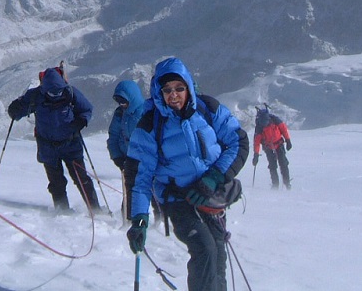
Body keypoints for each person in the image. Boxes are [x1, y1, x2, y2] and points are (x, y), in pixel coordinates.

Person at [125, 57, 248, 291]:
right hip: (178, 199)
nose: (174, 95)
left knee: (218, 255)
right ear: (158, 92)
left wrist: (214, 178)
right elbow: (140, 177)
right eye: (167, 90)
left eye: (179, 88)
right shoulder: (150, 125)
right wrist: (139, 219)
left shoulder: (207, 109)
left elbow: (238, 142)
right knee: (205, 250)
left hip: (210, 194)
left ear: (189, 87)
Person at [7, 66, 101, 212]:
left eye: (58, 91)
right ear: (44, 89)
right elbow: (20, 110)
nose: (56, 95)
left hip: (70, 144)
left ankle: (94, 210)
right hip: (48, 147)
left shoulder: (70, 93)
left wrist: (81, 121)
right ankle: (62, 210)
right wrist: (14, 110)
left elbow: (86, 109)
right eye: (52, 92)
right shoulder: (35, 96)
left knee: (81, 179)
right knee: (56, 182)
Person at [106, 79, 145, 219]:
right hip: (127, 159)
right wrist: (117, 156)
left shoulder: (145, 112)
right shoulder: (119, 114)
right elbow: (113, 136)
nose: (122, 105)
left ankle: (158, 219)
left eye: (124, 101)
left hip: (146, 160)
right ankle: (128, 221)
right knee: (130, 191)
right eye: (119, 102)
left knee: (151, 192)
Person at [252, 106, 292, 189]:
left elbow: (284, 129)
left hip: (278, 145)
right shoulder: (259, 127)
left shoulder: (275, 120)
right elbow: (257, 142)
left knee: (283, 163)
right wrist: (256, 154)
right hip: (269, 147)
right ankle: (276, 185)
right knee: (273, 166)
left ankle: (286, 183)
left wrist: (288, 140)